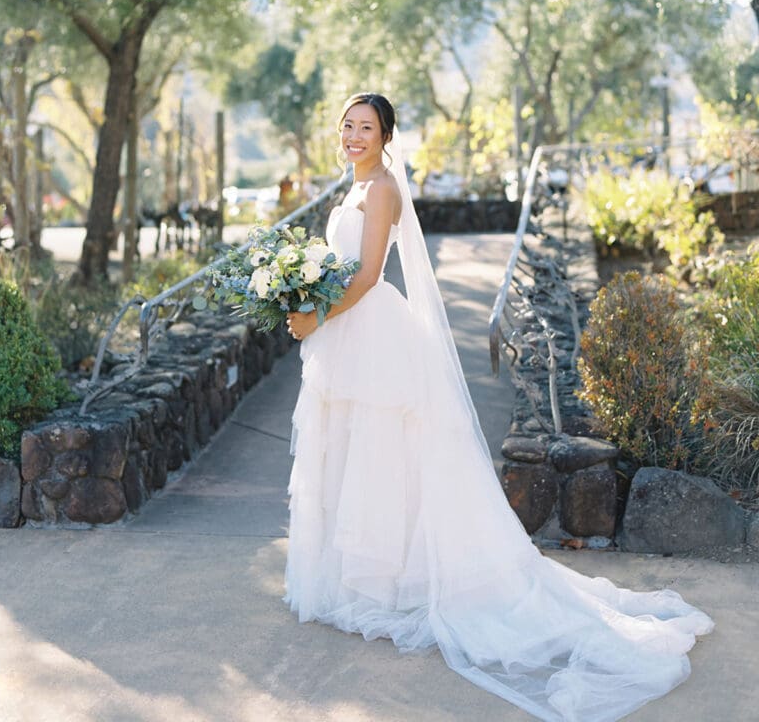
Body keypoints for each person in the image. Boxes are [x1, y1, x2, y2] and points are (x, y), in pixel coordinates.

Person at [285, 92, 713, 722]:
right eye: (346, 125)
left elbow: (372, 273)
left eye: (365, 128)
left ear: (385, 137)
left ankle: (390, 583)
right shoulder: (352, 187)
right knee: (356, 453)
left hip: (372, 332)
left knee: (382, 452)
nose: (353, 135)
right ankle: (364, 578)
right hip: (348, 336)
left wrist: (313, 313)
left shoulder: (380, 192)